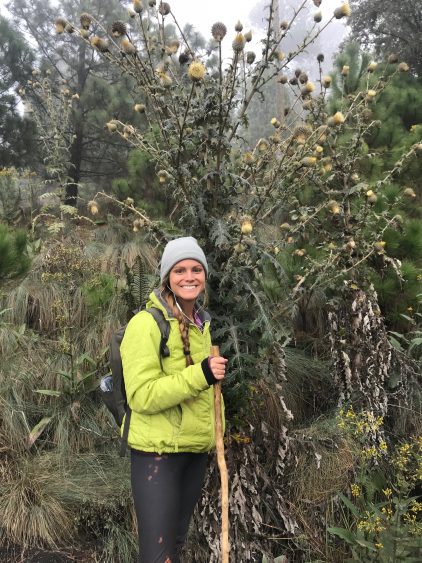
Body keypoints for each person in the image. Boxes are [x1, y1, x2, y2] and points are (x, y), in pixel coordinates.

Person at [120, 236, 227, 563]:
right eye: (180, 270)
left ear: (205, 275)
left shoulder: (201, 325)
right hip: (157, 455)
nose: (189, 276)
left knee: (174, 549)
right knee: (158, 556)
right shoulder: (145, 324)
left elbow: (200, 397)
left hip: (193, 452)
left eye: (196, 269)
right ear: (167, 276)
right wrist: (202, 374)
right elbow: (142, 395)